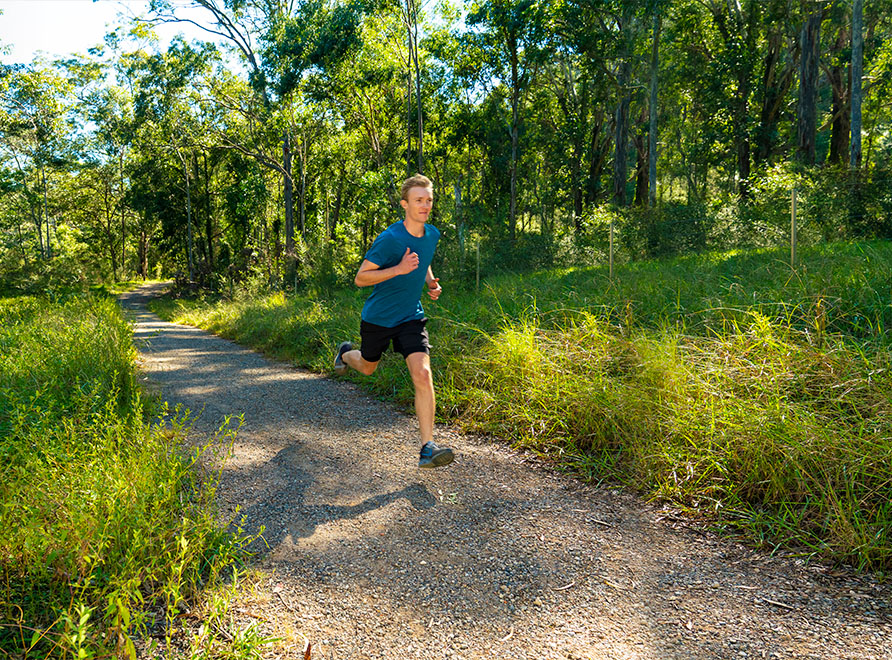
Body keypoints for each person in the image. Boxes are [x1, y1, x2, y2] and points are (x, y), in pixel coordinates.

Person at [334, 174, 454, 469]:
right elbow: (361, 278)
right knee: (368, 367)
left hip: (410, 316)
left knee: (423, 375)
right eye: (418, 200)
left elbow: (423, 259)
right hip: (378, 318)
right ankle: (346, 355)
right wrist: (399, 269)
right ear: (405, 204)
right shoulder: (389, 239)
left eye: (429, 200)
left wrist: (429, 283)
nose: (425, 206)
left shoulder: (432, 234)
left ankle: (428, 447)